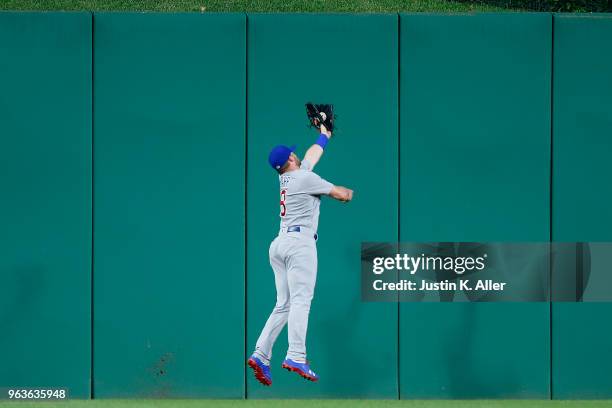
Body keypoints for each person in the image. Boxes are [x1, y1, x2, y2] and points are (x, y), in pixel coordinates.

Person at [247, 124, 354, 386]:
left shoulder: (287, 177)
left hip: (280, 244)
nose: (297, 156)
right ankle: (296, 355)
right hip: (299, 244)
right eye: (294, 155)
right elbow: (342, 195)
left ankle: (261, 354)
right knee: (301, 300)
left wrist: (324, 135)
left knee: (283, 303)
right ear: (290, 160)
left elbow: (311, 156)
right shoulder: (305, 179)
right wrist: (349, 193)